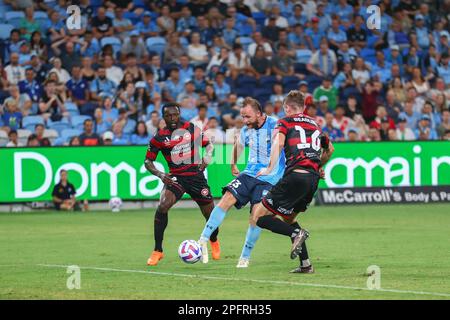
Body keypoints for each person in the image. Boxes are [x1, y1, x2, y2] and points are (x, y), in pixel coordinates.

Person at [198, 97, 287, 268]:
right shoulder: (247, 130)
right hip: (248, 174)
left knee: (256, 216)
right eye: (242, 117)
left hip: (269, 178)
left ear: (259, 114)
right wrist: (233, 164)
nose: (244, 121)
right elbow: (239, 145)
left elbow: (285, 145)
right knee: (226, 199)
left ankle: (245, 257)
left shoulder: (275, 125)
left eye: (247, 117)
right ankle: (202, 239)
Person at [252, 90, 334, 271]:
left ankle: (298, 233)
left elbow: (279, 144)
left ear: (287, 107)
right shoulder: (315, 125)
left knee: (259, 216)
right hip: (312, 180)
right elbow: (330, 149)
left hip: (295, 176)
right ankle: (306, 265)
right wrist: (318, 165)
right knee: (288, 218)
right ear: (303, 108)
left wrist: (269, 168)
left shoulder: (284, 122)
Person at [144, 103, 219, 266]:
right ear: (164, 117)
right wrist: (161, 174)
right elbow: (148, 161)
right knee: (162, 206)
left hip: (196, 177)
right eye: (168, 116)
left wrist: (207, 157)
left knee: (210, 214)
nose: (172, 118)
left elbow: (209, 144)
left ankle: (213, 240)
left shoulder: (191, 128)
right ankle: (158, 250)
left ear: (179, 114)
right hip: (176, 178)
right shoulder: (159, 138)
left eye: (175, 115)